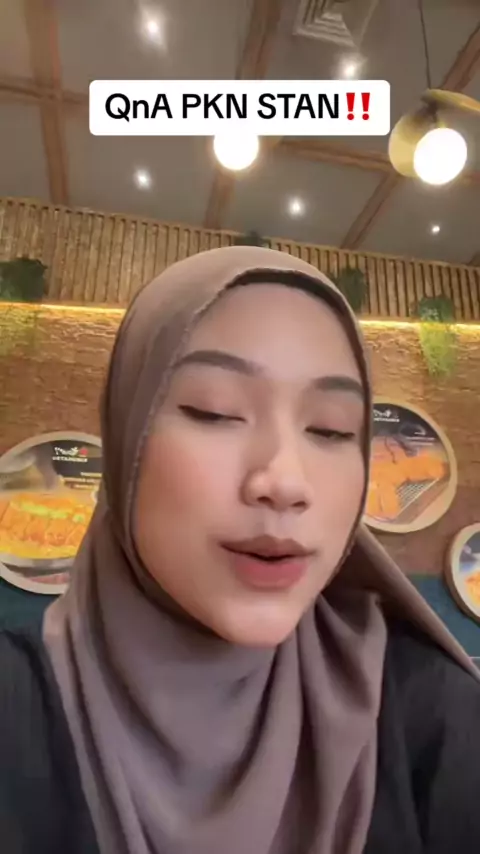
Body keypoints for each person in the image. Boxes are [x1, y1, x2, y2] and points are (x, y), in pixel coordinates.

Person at [1, 246, 480, 854]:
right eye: (215, 411)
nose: (285, 481)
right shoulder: (14, 708)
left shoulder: (433, 713)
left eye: (332, 429)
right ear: (127, 442)